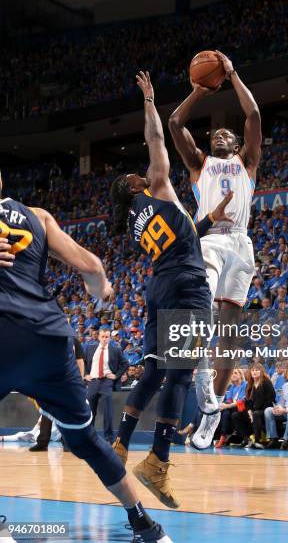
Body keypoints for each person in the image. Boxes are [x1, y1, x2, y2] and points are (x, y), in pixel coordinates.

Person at [0, 174, 171, 542]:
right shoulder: (38, 216)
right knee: (86, 440)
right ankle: (147, 527)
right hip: (48, 337)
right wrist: (102, 291)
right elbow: (93, 268)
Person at [110, 72, 233, 509]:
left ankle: (121, 445)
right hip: (185, 286)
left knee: (155, 371)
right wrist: (148, 101)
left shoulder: (133, 220)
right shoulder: (157, 184)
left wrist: (207, 219)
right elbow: (156, 138)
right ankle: (157, 462)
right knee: (179, 374)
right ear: (135, 185)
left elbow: (181, 237)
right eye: (134, 174)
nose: (139, 172)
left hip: (158, 287)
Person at [169, 50, 262, 450]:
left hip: (241, 244)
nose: (219, 134)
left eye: (227, 134)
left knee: (229, 336)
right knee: (199, 311)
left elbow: (254, 116)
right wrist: (197, 92)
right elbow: (175, 123)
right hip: (208, 238)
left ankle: (212, 411)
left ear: (238, 143)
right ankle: (203, 387)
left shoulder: (247, 161)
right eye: (215, 134)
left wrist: (234, 73)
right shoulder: (198, 164)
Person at [84, 328, 129, 443]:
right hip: (93, 381)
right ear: (98, 337)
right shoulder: (90, 348)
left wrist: (116, 375)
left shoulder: (115, 350)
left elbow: (125, 363)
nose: (104, 339)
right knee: (89, 412)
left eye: (107, 337)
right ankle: (88, 437)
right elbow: (83, 362)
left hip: (106, 382)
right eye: (102, 336)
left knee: (108, 412)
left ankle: (109, 439)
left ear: (110, 337)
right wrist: (85, 374)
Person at [231, 364, 275, 449]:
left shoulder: (266, 382)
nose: (254, 372)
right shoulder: (250, 384)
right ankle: (246, 439)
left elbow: (271, 398)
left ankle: (257, 441)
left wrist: (254, 411)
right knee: (235, 415)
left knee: (256, 414)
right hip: (254, 411)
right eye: (253, 370)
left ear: (261, 372)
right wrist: (249, 411)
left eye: (257, 370)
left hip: (265, 409)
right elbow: (248, 401)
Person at [215, 368, 247, 448]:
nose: (233, 375)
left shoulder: (245, 384)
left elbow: (241, 401)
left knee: (225, 411)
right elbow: (228, 400)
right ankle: (222, 436)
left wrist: (227, 405)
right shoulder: (232, 387)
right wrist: (224, 404)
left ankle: (223, 437)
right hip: (231, 408)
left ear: (240, 375)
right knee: (224, 412)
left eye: (236, 373)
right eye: (232, 373)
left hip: (242, 408)